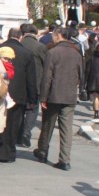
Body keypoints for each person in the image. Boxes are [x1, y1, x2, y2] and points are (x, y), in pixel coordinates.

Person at [34, 27, 83, 170]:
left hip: (53, 94)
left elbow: (47, 76)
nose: (53, 38)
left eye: (54, 36)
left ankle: (43, 151)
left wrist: (43, 97)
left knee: (48, 124)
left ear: (58, 36)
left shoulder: (52, 52)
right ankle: (65, 159)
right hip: (69, 94)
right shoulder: (76, 53)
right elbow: (81, 74)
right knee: (66, 128)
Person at [0, 26, 37, 160]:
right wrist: (32, 98)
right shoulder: (27, 53)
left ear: (8, 35)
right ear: (20, 37)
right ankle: (8, 152)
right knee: (13, 124)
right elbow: (31, 78)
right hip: (18, 94)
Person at [18, 24, 47, 148]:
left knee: (18, 109)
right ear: (36, 34)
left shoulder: (18, 44)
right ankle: (26, 132)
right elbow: (46, 65)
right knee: (33, 109)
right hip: (35, 82)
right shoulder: (40, 47)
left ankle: (17, 133)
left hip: (18, 83)